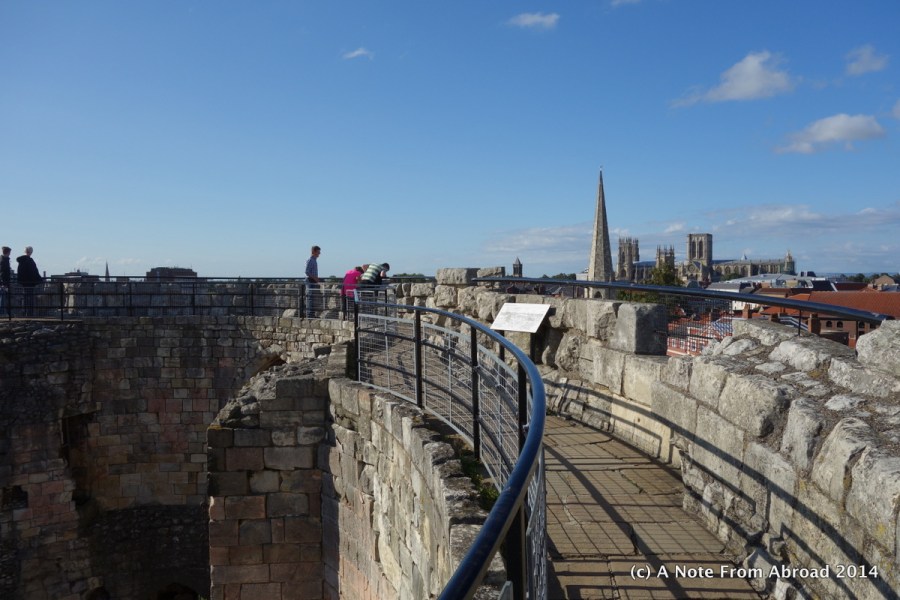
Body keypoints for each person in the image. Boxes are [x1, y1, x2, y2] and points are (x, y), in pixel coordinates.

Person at [16, 246, 43, 317]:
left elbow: (20, 272)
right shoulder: (29, 261)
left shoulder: (21, 260)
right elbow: (34, 272)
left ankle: (24, 312)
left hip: (23, 282)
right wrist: (39, 280)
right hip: (30, 283)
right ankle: (29, 313)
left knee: (25, 297)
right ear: (31, 252)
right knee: (30, 298)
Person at [304, 245, 321, 318]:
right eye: (318, 252)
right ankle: (310, 315)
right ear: (313, 252)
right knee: (310, 297)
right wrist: (315, 278)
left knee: (312, 297)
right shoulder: (310, 260)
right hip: (310, 280)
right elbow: (307, 272)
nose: (319, 254)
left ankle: (311, 314)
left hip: (312, 280)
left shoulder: (314, 260)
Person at [0, 247, 11, 316]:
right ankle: (2, 313)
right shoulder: (4, 260)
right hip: (4, 282)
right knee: (3, 297)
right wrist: (4, 283)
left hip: (3, 282)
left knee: (3, 296)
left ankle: (2, 312)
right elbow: (3, 273)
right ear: (7, 252)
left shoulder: (2, 259)